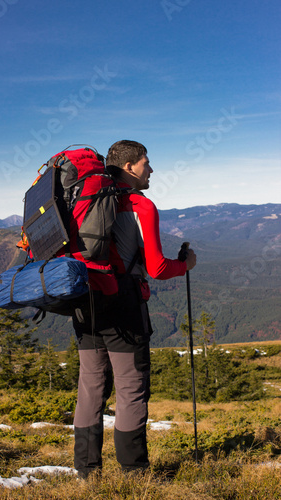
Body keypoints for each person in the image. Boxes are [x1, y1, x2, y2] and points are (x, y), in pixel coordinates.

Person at [72, 140, 196, 478]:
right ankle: (134, 474)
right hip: (124, 304)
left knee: (91, 387)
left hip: (83, 301)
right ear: (129, 167)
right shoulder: (139, 205)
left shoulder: (84, 199)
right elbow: (156, 268)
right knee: (131, 388)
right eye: (146, 163)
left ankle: (87, 473)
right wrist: (186, 265)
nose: (151, 169)